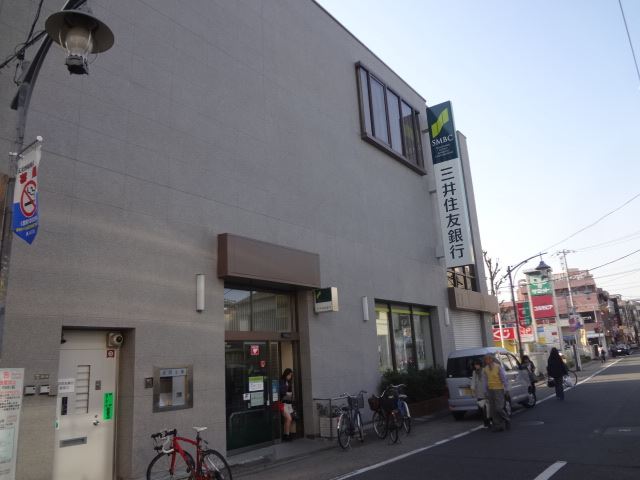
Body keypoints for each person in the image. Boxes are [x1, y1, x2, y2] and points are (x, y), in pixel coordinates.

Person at [483, 354, 510, 432]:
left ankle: (507, 419)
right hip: (490, 390)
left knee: (499, 408)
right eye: (486, 359)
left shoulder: (498, 367)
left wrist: (506, 389)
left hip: (499, 389)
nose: (487, 361)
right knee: (493, 409)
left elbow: (504, 378)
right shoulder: (485, 369)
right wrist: (485, 391)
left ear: (492, 359)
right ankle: (498, 425)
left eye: (488, 359)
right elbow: (485, 381)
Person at [470, 358, 490, 427]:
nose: (476, 366)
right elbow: (473, 381)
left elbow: (488, 380)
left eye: (477, 364)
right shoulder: (474, 372)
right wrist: (472, 390)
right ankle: (486, 422)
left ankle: (487, 422)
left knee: (487, 408)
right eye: (475, 365)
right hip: (479, 393)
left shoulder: (484, 370)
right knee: (481, 408)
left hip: (485, 392)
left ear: (480, 364)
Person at [279, 368, 294, 441]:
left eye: (291, 375)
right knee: (289, 418)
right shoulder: (282, 381)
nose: (290, 377)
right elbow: (281, 391)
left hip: (288, 403)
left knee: (287, 420)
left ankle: (286, 434)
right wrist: (287, 393)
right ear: (286, 374)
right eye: (289, 375)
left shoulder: (288, 382)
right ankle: (287, 435)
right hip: (283, 403)